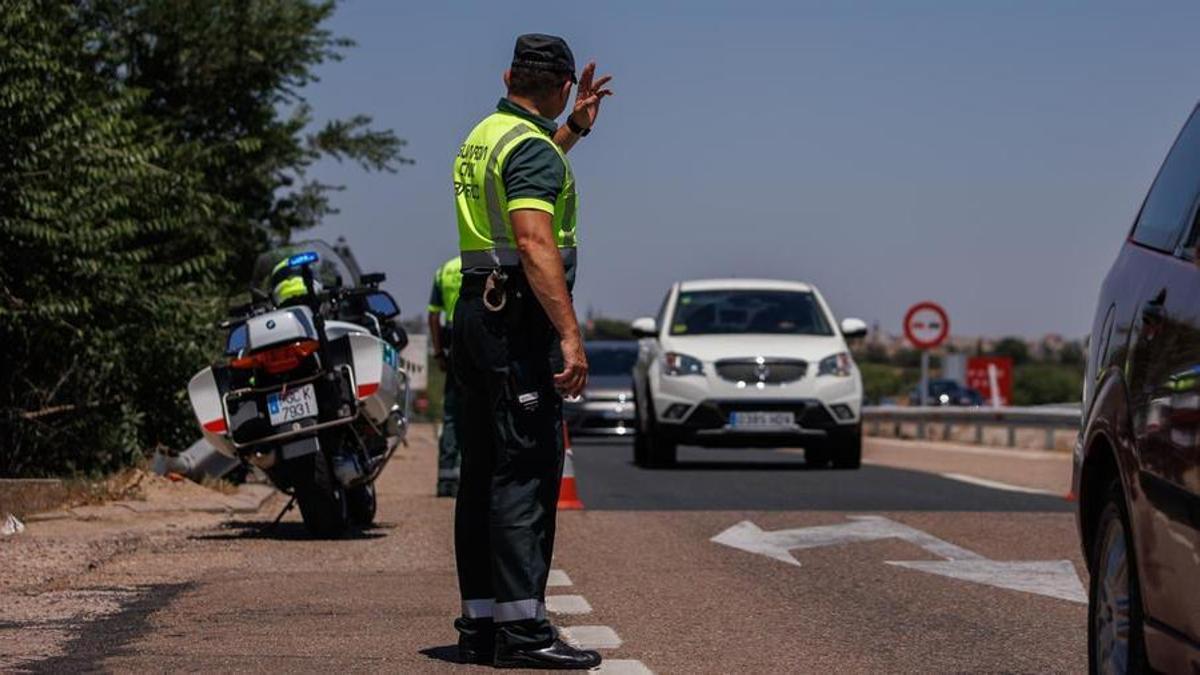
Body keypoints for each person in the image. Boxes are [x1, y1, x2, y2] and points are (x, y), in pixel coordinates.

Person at [450, 34, 612, 669]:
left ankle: (482, 627)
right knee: (526, 474)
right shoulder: (530, 151)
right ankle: (525, 636)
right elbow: (534, 241)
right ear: (565, 83)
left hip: (477, 316)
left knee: (484, 474)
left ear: (508, 75)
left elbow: (524, 173)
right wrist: (569, 335)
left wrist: (572, 129)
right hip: (516, 323)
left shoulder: (488, 134)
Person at [427, 255, 464, 497]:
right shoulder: (485, 263)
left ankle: (446, 479)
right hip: (477, 334)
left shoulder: (444, 271)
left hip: (452, 339)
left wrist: (439, 351)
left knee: (451, 412)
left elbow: (433, 316)